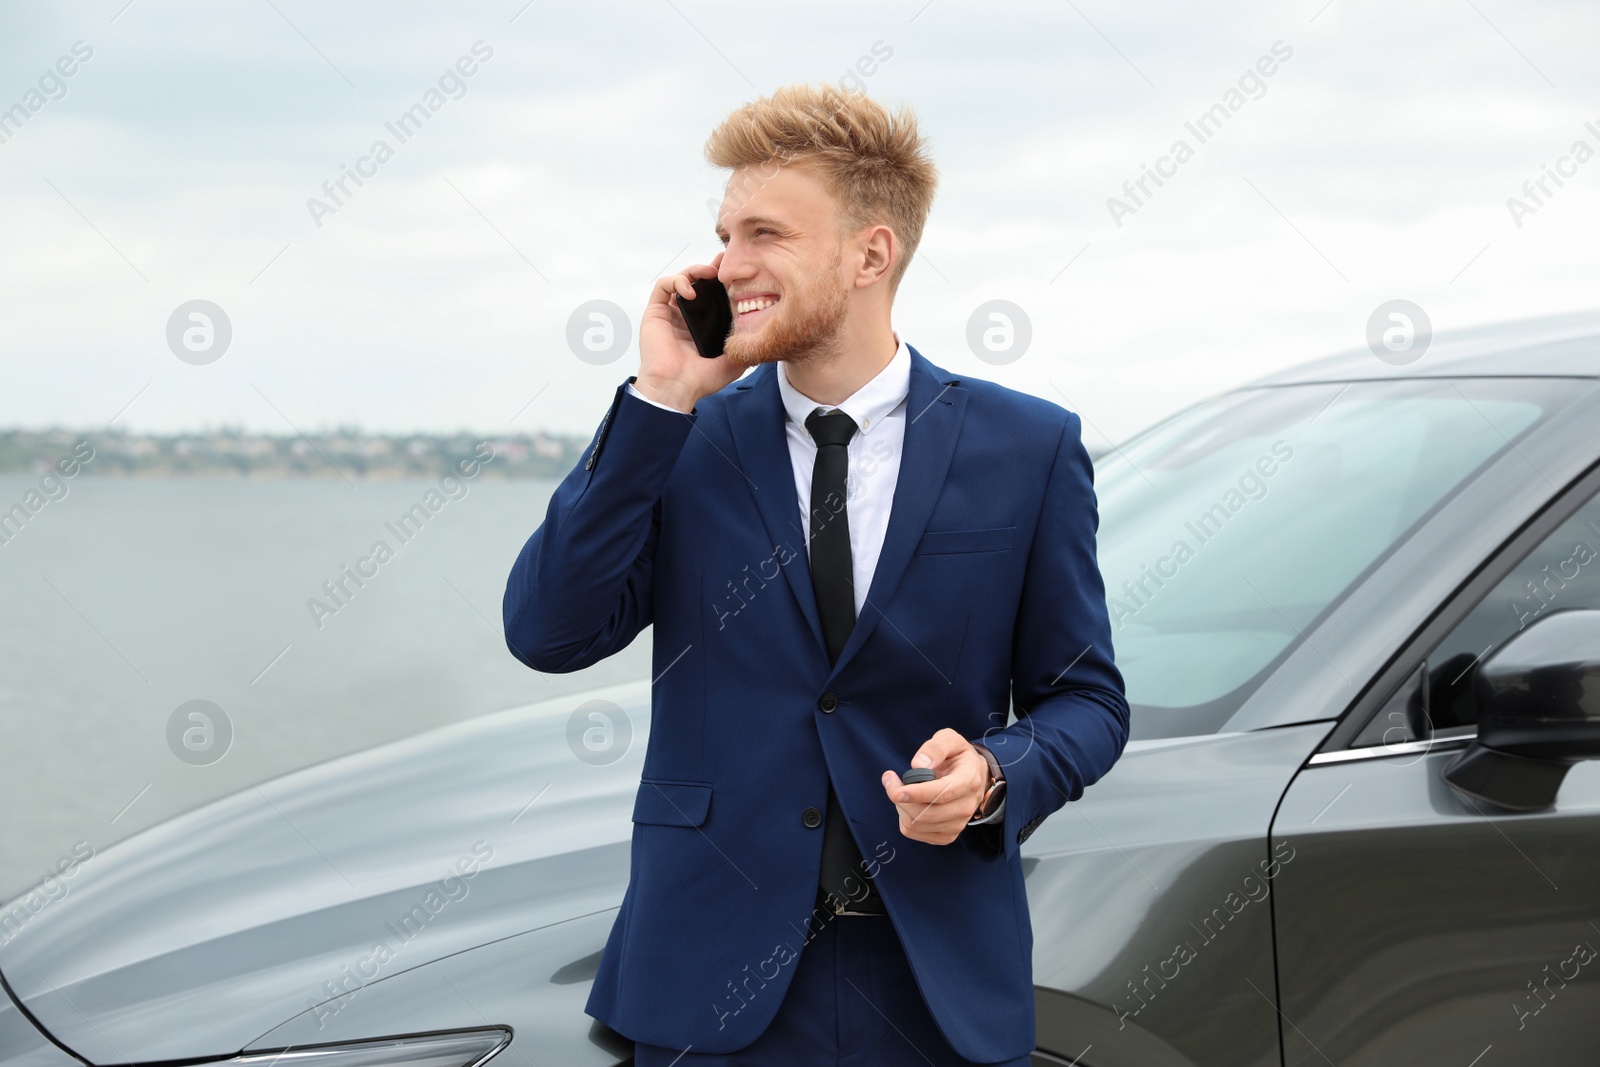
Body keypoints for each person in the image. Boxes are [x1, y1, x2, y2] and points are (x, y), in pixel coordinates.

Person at [503, 82, 1129, 1067]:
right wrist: (660, 397)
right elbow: (548, 632)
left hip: (934, 983)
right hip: (710, 982)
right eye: (722, 233)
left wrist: (996, 775)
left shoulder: (1027, 447)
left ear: (869, 252)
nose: (725, 265)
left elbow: (1086, 699)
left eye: (765, 234)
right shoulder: (682, 437)